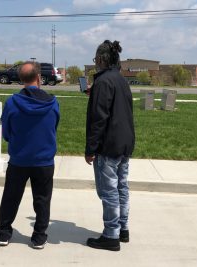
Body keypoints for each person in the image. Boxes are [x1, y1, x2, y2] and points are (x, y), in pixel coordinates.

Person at [0, 62, 60, 249]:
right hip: (44, 159)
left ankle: (4, 233)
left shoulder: (12, 102)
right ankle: (39, 236)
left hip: (19, 159)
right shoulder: (53, 102)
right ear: (39, 78)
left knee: (11, 197)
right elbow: (54, 126)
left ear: (20, 80)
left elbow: (6, 131)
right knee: (42, 199)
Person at [85, 40, 135, 251]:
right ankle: (123, 229)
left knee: (109, 191)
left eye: (96, 59)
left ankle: (111, 235)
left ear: (102, 59)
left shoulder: (103, 82)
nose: (95, 62)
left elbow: (99, 118)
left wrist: (91, 149)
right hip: (125, 143)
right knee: (122, 187)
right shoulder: (120, 80)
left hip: (109, 145)